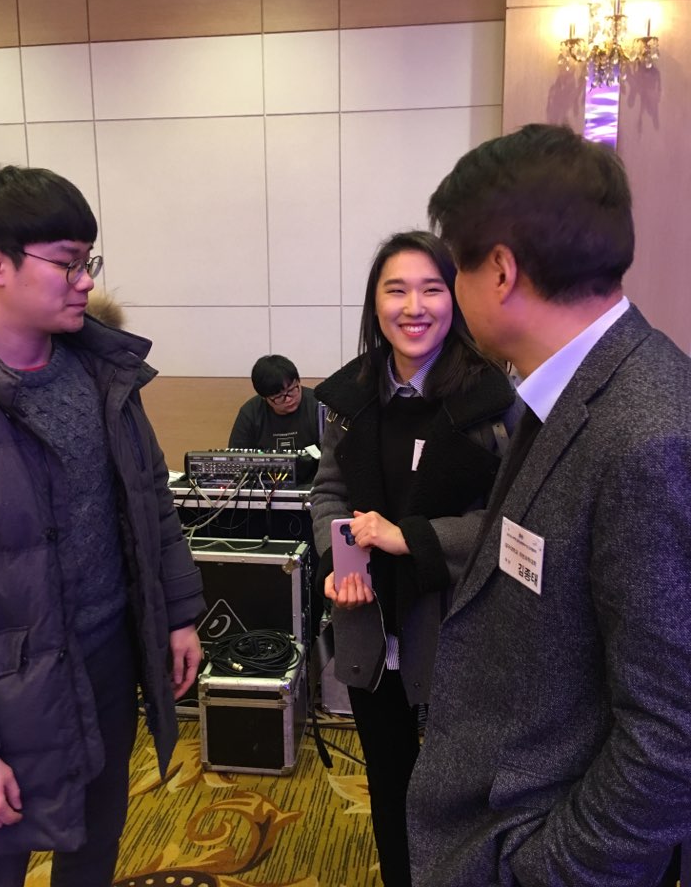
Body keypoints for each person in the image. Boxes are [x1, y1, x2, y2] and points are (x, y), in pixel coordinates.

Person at [406, 123, 691, 887]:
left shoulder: (648, 433)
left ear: (500, 271)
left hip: (542, 844)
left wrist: (541, 870)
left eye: (454, 270)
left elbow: (672, 736)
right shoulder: (568, 389)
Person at [0, 165, 205, 887]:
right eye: (68, 263)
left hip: (107, 656)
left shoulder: (102, 373)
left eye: (88, 263)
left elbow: (150, 499)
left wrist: (178, 614)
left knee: (97, 844)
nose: (84, 282)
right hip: (1, 682)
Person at [310, 230, 518, 887]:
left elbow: (514, 523)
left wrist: (411, 538)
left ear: (455, 298)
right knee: (389, 783)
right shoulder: (350, 398)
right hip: (371, 626)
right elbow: (329, 493)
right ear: (375, 303)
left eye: (431, 289)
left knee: (466, 795)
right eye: (395, 290)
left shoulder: (494, 401)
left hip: (460, 632)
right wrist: (340, 560)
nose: (413, 306)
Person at [229, 354, 320, 482]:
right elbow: (236, 460)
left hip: (314, 486)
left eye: (292, 390)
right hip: (263, 486)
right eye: (279, 397)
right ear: (265, 398)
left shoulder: (318, 406)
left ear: (298, 381)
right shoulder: (250, 413)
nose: (288, 399)